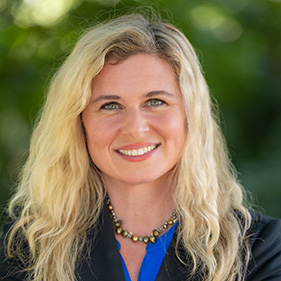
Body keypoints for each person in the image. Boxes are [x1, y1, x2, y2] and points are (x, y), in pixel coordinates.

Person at [0, 13, 281, 281]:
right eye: (110, 106)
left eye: (155, 101)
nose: (135, 128)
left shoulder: (261, 249)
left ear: (189, 115)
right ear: (78, 123)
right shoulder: (23, 250)